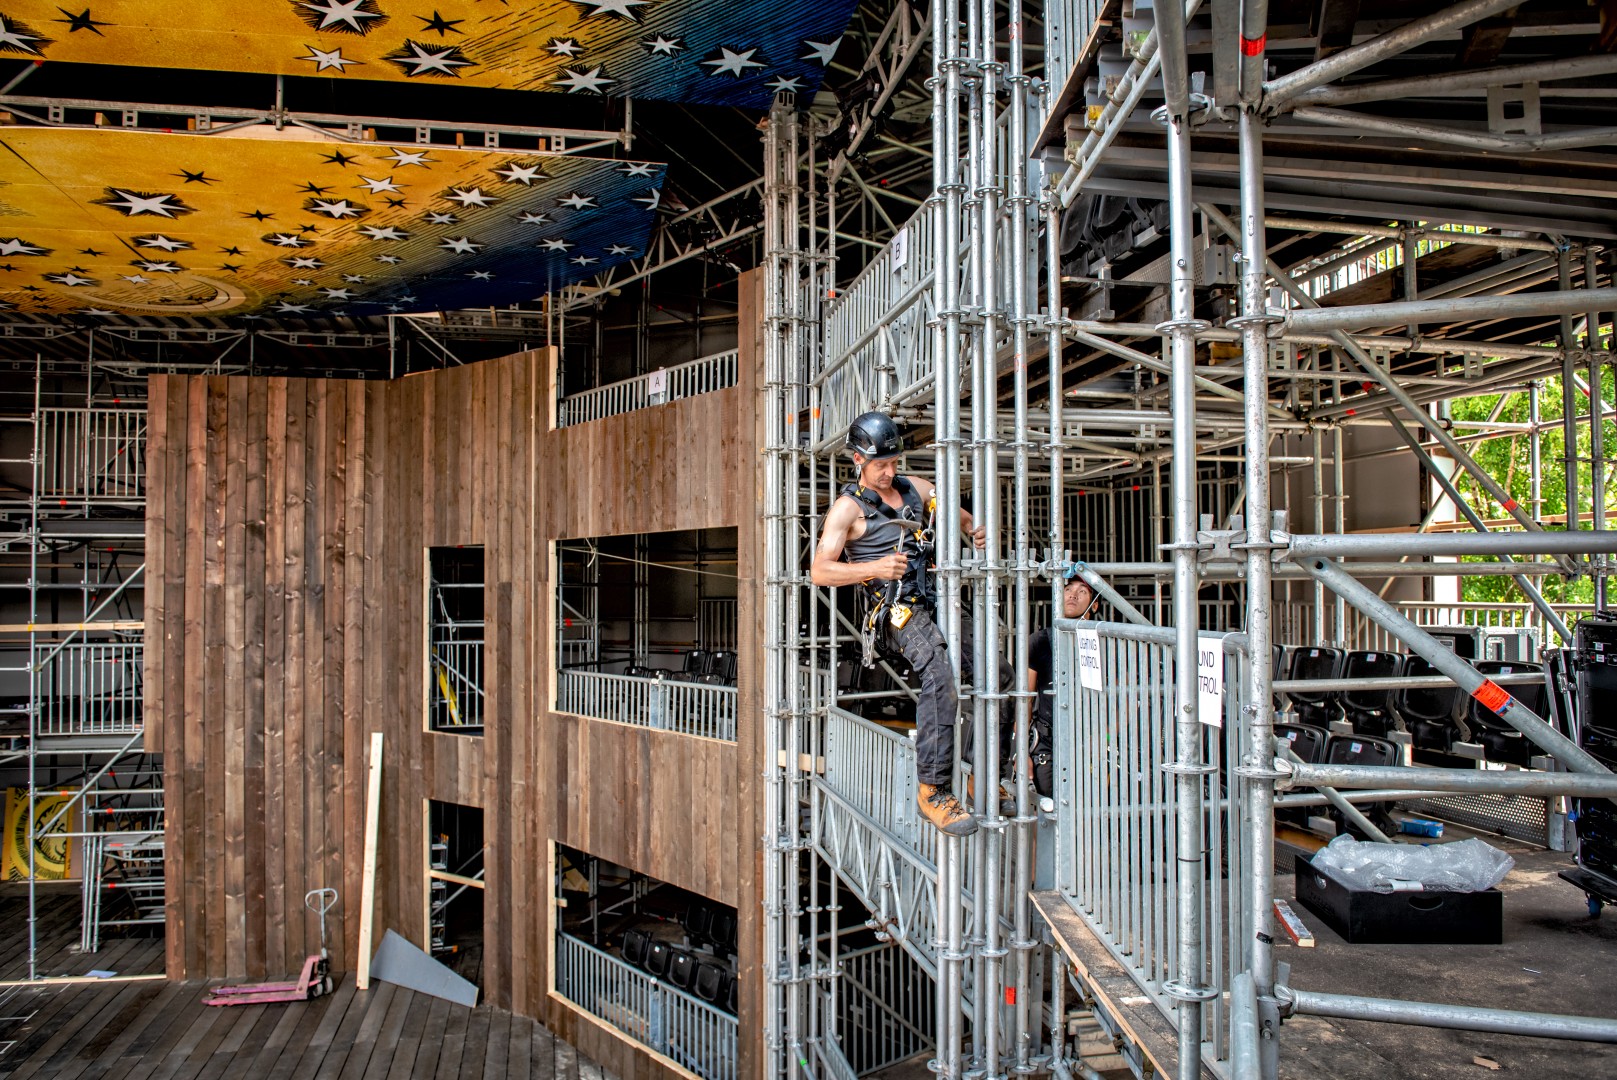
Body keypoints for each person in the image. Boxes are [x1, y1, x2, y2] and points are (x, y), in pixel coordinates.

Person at [810, 411, 986, 835]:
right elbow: (820, 571)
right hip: (896, 611)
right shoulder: (847, 510)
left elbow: (948, 508)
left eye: (894, 463)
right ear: (858, 460)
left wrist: (973, 530)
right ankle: (934, 790)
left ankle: (981, 776)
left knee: (996, 674)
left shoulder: (912, 489)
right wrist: (875, 567)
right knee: (940, 676)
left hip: (933, 599)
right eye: (880, 466)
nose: (889, 472)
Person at [1023, 570, 1099, 802]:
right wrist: (1022, 751)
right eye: (1067, 589)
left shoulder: (1103, 642)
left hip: (1090, 742)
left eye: (1082, 591)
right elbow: (1025, 698)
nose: (1072, 596)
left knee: (1089, 810)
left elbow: (1122, 698)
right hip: (1047, 741)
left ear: (1094, 606)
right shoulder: (1039, 641)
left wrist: (1105, 739)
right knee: (1047, 811)